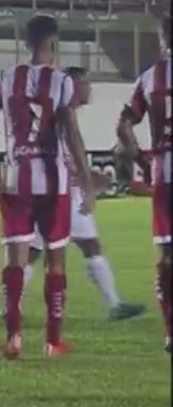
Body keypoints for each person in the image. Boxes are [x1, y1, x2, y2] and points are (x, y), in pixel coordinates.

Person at [0, 16, 94, 359]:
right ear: (53, 43)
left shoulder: (4, 79)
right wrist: (86, 180)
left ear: (26, 42)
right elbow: (70, 131)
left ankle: (14, 337)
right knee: (56, 261)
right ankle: (53, 341)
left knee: (15, 262)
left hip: (15, 180)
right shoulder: (61, 82)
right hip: (53, 183)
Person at [22, 66, 145, 321]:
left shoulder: (58, 113)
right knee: (43, 251)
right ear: (72, 86)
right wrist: (87, 181)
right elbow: (56, 153)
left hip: (62, 190)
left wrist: (85, 175)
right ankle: (114, 305)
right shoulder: (61, 114)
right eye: (84, 83)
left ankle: (114, 304)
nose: (89, 88)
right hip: (59, 192)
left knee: (57, 249)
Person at [116, 16, 171, 353]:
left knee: (167, 257)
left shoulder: (150, 78)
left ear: (162, 39)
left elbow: (123, 125)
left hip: (165, 174)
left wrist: (142, 161)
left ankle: (170, 331)